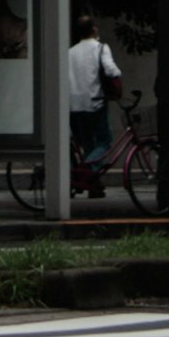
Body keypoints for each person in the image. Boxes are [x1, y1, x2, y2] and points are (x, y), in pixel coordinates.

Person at [64, 16, 116, 200]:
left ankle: (93, 186)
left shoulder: (70, 52)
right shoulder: (101, 48)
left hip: (73, 106)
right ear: (94, 30)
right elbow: (112, 71)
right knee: (104, 141)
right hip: (95, 103)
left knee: (88, 144)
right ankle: (87, 168)